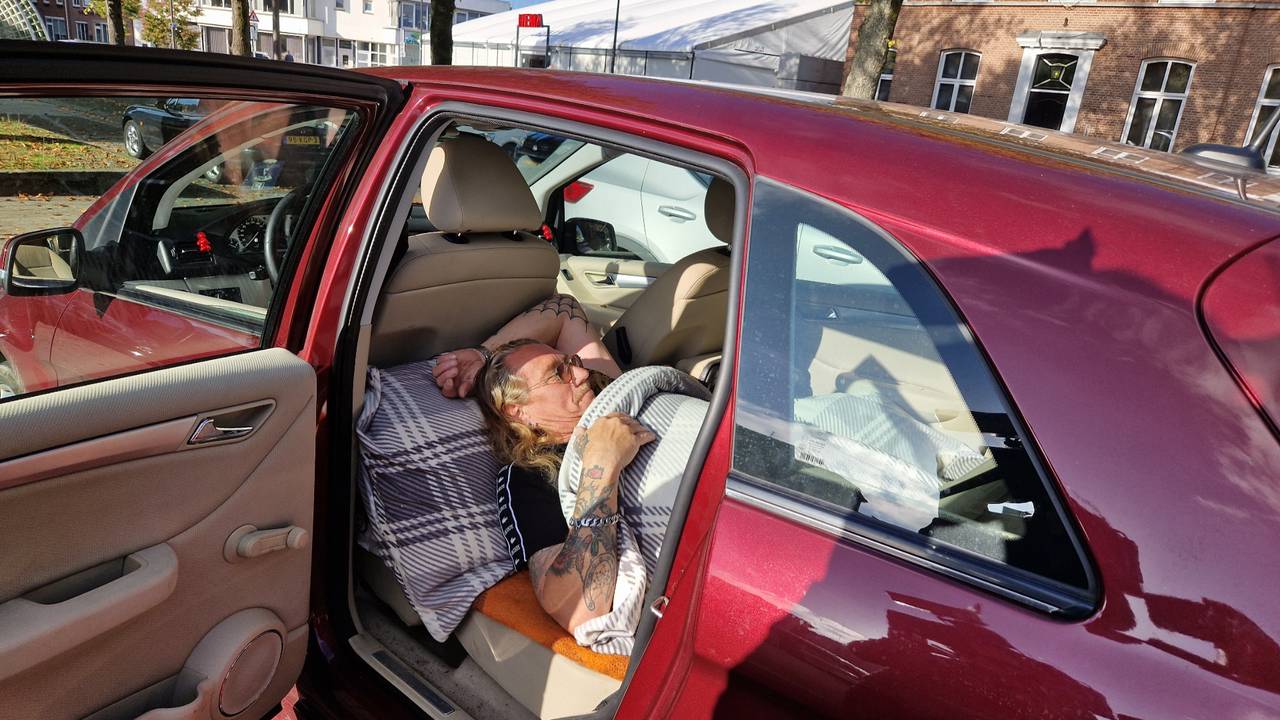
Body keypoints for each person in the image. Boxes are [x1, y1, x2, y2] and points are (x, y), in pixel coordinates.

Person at [431, 294, 654, 634]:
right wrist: (601, 467)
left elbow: (564, 310)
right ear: (517, 411)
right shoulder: (530, 478)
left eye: (573, 361)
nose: (580, 373)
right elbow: (577, 609)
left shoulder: (603, 388)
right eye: (558, 373)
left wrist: (482, 354)